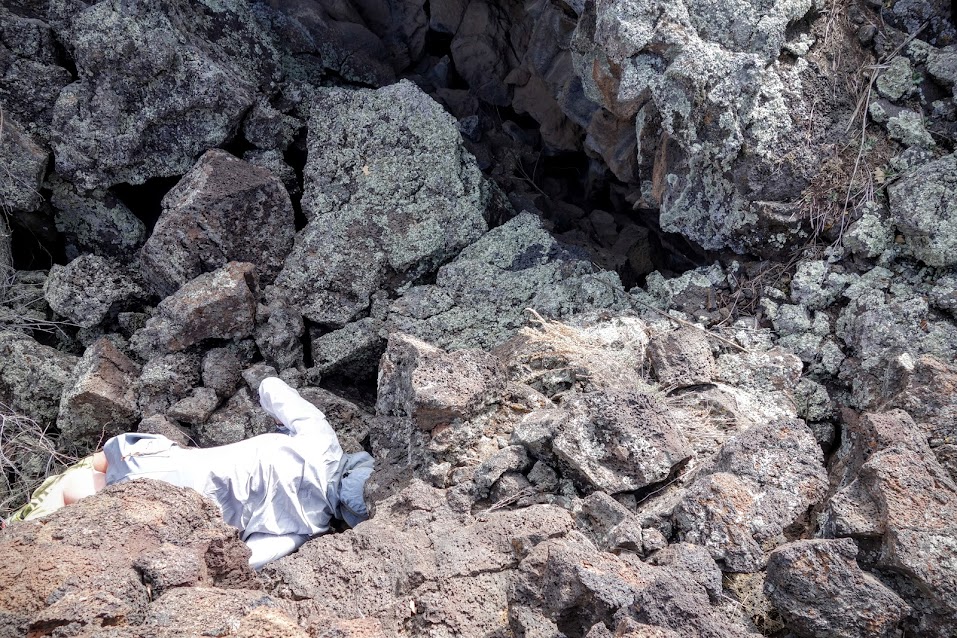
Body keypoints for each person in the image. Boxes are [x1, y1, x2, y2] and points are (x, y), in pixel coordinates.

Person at [6, 377, 374, 569]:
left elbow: (271, 388)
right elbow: (251, 557)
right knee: (82, 499)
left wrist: (282, 423)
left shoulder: (320, 439)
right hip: (175, 516)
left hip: (169, 464)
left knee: (93, 467)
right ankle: (22, 535)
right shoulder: (309, 527)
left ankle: (17, 531)